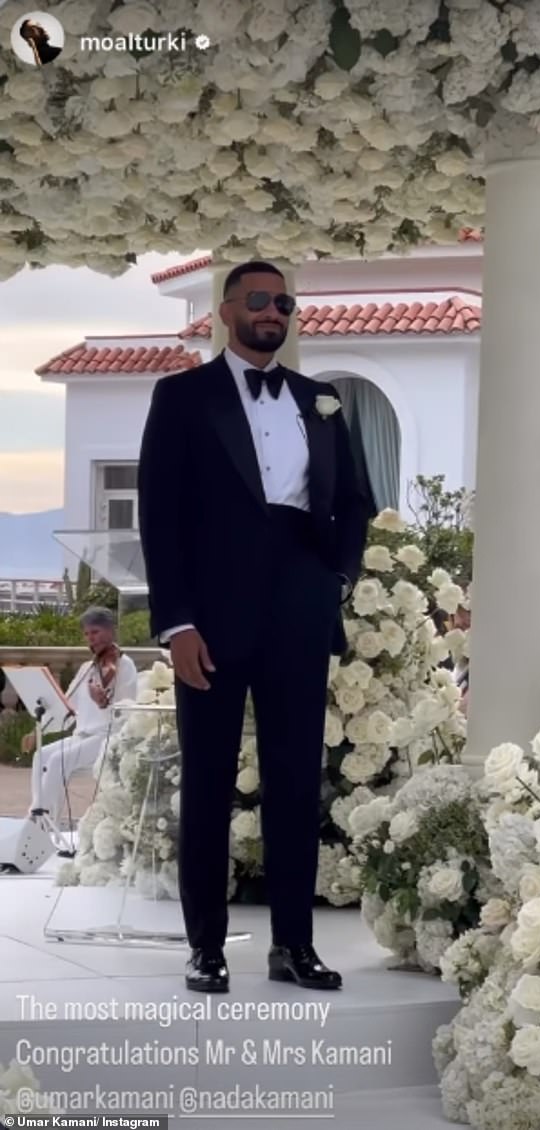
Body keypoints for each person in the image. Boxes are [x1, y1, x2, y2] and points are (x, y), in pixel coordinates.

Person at [137, 260, 368, 994]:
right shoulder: (181, 397)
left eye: (285, 302)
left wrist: (335, 579)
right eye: (260, 299)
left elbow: (356, 502)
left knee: (297, 783)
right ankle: (205, 946)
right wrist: (175, 624)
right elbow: (160, 516)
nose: (275, 311)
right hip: (210, 616)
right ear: (227, 309)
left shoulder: (322, 398)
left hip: (299, 611)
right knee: (206, 782)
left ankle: (293, 948)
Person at [23, 607, 137, 837]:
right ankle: (43, 817)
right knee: (41, 755)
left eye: (95, 632)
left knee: (56, 761)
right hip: (82, 737)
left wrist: (104, 703)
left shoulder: (125, 666)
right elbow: (66, 707)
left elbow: (128, 710)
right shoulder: (87, 668)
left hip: (107, 737)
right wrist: (38, 731)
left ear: (111, 631)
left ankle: (39, 824)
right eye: (86, 634)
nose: (90, 638)